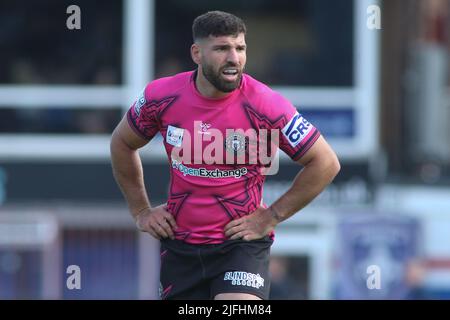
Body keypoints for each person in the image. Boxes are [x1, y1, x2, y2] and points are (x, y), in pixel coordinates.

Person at [110, 11, 340, 300]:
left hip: (240, 245)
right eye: (221, 48)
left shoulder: (267, 105)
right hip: (180, 247)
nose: (234, 58)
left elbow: (325, 162)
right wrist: (141, 211)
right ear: (197, 53)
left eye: (240, 48)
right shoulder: (161, 97)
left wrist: (271, 215)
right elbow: (121, 143)